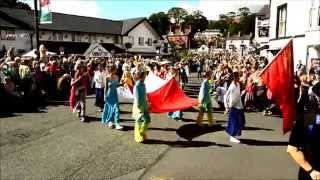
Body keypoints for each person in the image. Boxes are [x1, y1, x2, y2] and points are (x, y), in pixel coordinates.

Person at [287, 82, 320, 180]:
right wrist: (311, 171)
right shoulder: (307, 119)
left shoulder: (306, 118)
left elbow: (292, 150)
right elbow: (292, 149)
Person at [224, 71, 246, 143]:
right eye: (238, 77)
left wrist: (243, 92)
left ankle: (234, 135)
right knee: (234, 122)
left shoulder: (238, 84)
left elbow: (238, 95)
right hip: (233, 106)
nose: (239, 78)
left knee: (241, 121)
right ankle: (232, 136)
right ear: (235, 78)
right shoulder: (232, 86)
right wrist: (226, 106)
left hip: (239, 105)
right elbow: (226, 95)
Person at [101, 64, 123, 130]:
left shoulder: (117, 77)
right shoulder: (107, 77)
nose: (116, 70)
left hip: (115, 94)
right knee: (110, 108)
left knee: (116, 108)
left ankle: (117, 123)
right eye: (115, 69)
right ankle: (110, 121)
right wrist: (105, 96)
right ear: (112, 70)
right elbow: (106, 88)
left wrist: (122, 84)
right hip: (109, 94)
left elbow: (117, 85)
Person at [132, 70, 151, 143]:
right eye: (144, 76)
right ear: (140, 77)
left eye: (145, 76)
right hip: (138, 105)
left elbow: (145, 94)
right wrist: (138, 106)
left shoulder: (144, 84)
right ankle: (138, 136)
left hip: (144, 104)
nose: (145, 77)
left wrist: (148, 102)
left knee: (148, 119)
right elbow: (136, 97)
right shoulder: (136, 86)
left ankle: (142, 132)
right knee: (138, 120)